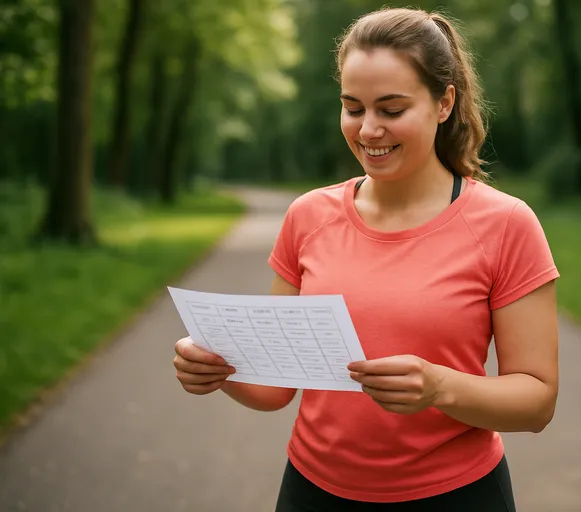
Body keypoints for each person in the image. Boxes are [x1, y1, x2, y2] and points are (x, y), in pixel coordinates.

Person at [172, 6, 559, 511]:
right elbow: (274, 389)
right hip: (313, 492)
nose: (369, 129)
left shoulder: (507, 224)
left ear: (444, 103)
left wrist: (440, 386)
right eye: (353, 108)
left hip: (457, 495)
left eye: (391, 110)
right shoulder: (308, 216)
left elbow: (536, 402)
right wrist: (218, 370)